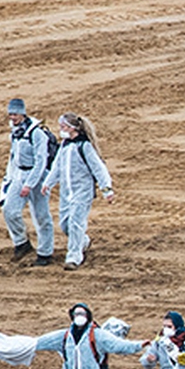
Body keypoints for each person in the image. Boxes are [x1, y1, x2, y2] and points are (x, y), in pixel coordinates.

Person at [45, 114, 114, 270]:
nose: (61, 130)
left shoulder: (85, 146)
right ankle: (82, 241)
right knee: (65, 224)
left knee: (76, 222)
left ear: (72, 128)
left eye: (63, 127)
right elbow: (57, 167)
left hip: (83, 190)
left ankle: (74, 257)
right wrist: (48, 183)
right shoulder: (64, 146)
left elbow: (98, 168)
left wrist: (106, 189)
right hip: (66, 191)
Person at [2, 97, 56, 267]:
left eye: (15, 114)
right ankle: (21, 243)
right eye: (10, 114)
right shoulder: (16, 131)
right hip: (20, 174)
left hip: (38, 177)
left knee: (41, 215)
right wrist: (11, 178)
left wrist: (30, 184)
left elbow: (41, 161)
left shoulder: (36, 133)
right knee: (9, 210)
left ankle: (45, 252)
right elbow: (13, 157)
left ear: (23, 113)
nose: (12, 117)